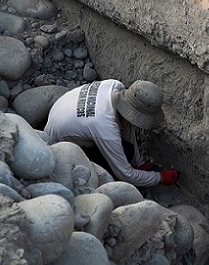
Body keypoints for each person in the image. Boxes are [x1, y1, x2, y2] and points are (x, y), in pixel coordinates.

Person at [44, 79, 179, 187]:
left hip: (62, 111)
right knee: (125, 155)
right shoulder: (105, 128)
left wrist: (140, 163)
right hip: (58, 145)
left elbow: (128, 121)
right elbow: (126, 175)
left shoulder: (114, 86)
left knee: (127, 150)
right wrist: (160, 177)